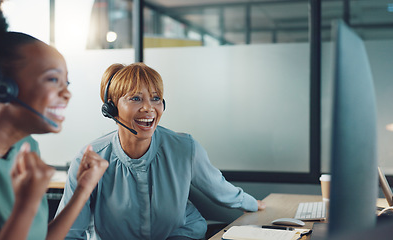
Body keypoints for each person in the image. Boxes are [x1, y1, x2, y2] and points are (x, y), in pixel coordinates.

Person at [0, 1, 108, 239]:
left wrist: (84, 188)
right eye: (52, 79)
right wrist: (26, 204)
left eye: (66, 83)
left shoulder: (26, 147)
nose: (66, 93)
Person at [57, 62, 266, 240]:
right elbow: (70, 232)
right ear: (111, 109)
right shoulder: (90, 159)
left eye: (156, 98)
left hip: (180, 233)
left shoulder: (184, 148)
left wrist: (251, 203)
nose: (149, 108)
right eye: (136, 98)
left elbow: (219, 188)